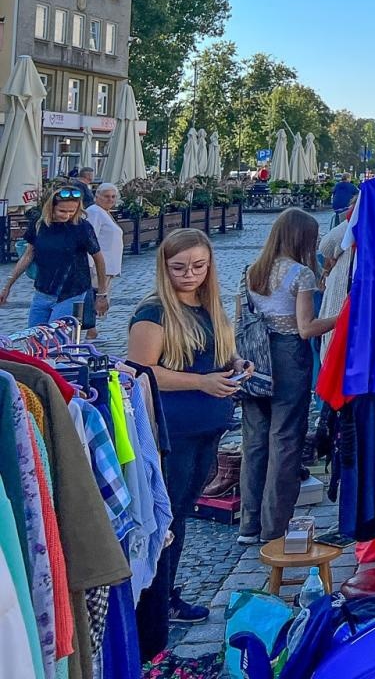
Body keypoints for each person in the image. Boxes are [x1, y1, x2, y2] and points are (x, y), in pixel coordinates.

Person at [128, 229, 253, 625]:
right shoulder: (153, 313)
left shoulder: (208, 305)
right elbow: (140, 372)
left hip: (209, 426)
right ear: (164, 267)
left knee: (181, 512)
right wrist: (201, 382)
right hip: (172, 430)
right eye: (179, 267)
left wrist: (236, 366)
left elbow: (220, 351)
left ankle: (165, 593)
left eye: (198, 266)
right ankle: (155, 601)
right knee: (169, 516)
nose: (189, 274)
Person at [237, 208, 329, 547]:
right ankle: (274, 527)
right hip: (289, 356)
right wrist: (342, 317)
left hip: (253, 356)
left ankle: (248, 524)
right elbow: (306, 329)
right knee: (286, 439)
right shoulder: (300, 274)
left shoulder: (251, 272)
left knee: (255, 441)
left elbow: (241, 321)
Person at [0, 182, 108, 327]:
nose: (67, 215)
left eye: (72, 211)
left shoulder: (82, 227)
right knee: (34, 337)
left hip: (72, 291)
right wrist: (8, 286)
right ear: (51, 207)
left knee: (55, 340)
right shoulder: (39, 225)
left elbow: (99, 258)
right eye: (62, 211)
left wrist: (102, 294)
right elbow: (27, 256)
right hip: (43, 290)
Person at [83, 181, 125, 339]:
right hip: (97, 265)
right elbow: (90, 238)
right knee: (94, 295)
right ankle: (90, 328)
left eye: (113, 196)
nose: (110, 199)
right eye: (106, 196)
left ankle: (91, 328)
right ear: (97, 196)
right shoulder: (94, 212)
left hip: (108, 265)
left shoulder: (105, 212)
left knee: (100, 296)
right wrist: (89, 263)